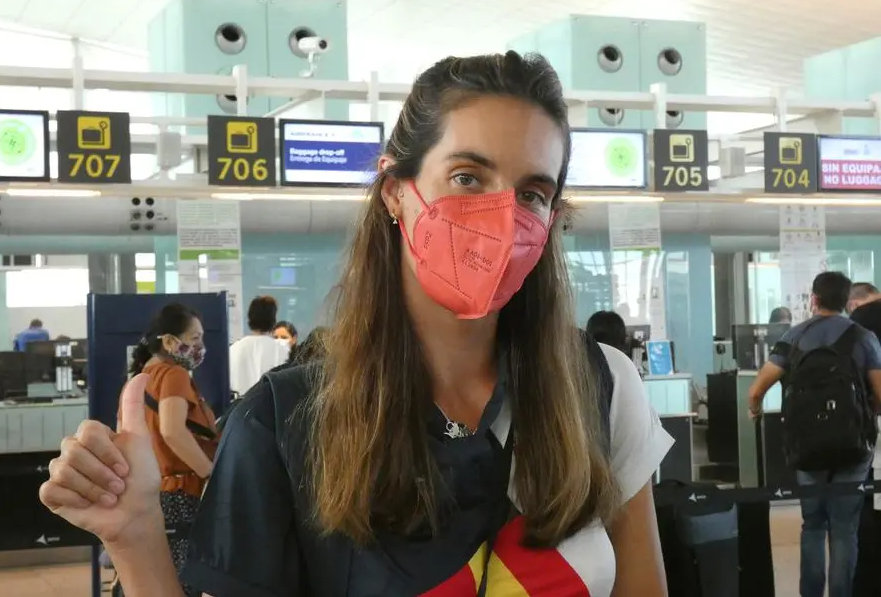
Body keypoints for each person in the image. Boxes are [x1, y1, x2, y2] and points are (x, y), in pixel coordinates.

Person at [40, 51, 673, 597]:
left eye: (532, 192)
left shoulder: (599, 386)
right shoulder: (283, 422)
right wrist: (136, 534)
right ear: (396, 191)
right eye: (466, 177)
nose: (502, 217)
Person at [748, 271, 881, 597]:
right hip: (854, 445)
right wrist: (865, 415)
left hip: (806, 443)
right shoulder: (864, 338)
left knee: (813, 523)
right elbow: (880, 395)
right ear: (847, 302)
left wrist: (756, 410)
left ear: (814, 298)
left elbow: (756, 390)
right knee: (844, 527)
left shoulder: (794, 337)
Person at [122, 303, 219, 597]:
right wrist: (211, 474)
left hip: (151, 494)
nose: (201, 346)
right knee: (181, 583)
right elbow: (173, 431)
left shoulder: (140, 380)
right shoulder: (174, 375)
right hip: (180, 494)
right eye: (194, 338)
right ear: (169, 341)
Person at [229, 296, 289, 394]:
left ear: (250, 318)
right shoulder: (282, 350)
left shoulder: (233, 349)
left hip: (239, 406)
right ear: (273, 320)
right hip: (271, 406)